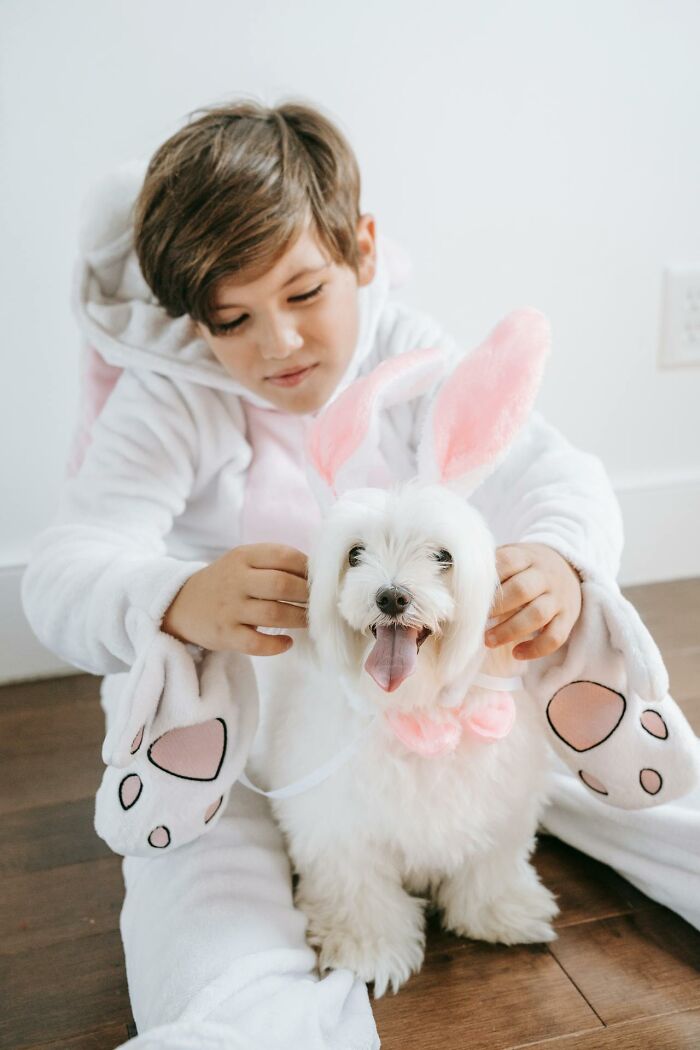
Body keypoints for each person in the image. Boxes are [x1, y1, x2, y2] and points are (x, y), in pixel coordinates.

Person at [20, 99, 699, 1049]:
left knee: (611, 771)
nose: (279, 346)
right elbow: (61, 569)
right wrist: (176, 597)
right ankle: (249, 1026)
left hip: (429, 690)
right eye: (232, 319)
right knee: (208, 893)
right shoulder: (169, 394)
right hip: (238, 711)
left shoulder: (410, 355)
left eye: (303, 296)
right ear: (191, 321)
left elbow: (556, 473)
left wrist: (559, 559)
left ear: (362, 251)